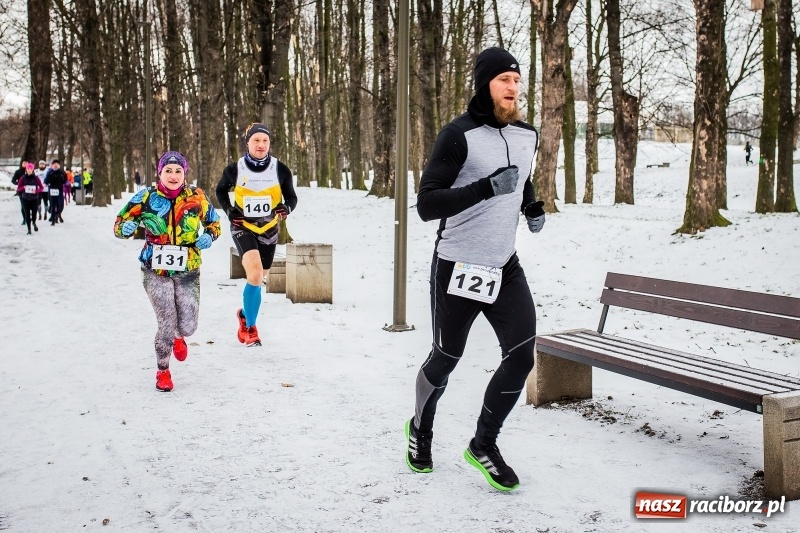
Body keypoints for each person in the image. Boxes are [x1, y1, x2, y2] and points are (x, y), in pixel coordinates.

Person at [404, 47, 546, 492]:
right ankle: (420, 429)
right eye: (504, 79)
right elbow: (427, 204)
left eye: (517, 80)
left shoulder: (527, 135)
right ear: (486, 84)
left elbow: (521, 180)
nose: (513, 87)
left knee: (521, 356)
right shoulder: (457, 135)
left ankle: (484, 444)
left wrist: (530, 205)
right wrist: (486, 188)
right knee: (446, 358)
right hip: (457, 264)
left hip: (504, 266)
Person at [113, 151, 221, 392]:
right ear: (159, 173)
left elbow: (214, 224)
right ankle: (163, 371)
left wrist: (209, 236)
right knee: (166, 322)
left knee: (188, 326)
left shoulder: (196, 196)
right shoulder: (146, 197)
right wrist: (125, 228)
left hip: (188, 270)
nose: (173, 176)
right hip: (155, 269)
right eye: (168, 171)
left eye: (178, 171)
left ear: (185, 173)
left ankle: (179, 337)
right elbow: (119, 223)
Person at [215, 123, 297, 347]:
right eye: (256, 140)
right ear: (248, 143)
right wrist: (229, 210)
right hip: (243, 226)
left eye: (265, 141)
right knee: (255, 274)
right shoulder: (235, 169)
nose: (261, 145)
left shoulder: (280, 169)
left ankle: (244, 314)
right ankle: (251, 328)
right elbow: (221, 191)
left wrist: (286, 208)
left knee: (260, 277)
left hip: (269, 229)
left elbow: (291, 197)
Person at [16, 162, 44, 234]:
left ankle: (34, 222)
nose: (29, 170)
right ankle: (29, 229)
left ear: (32, 170)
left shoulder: (36, 178)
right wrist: (23, 187)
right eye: (28, 169)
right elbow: (18, 188)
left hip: (34, 199)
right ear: (26, 170)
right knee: (27, 214)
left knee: (34, 213)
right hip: (25, 198)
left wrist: (36, 191)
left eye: (30, 169)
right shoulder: (23, 178)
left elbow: (41, 187)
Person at [45, 159, 67, 225]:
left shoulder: (62, 172)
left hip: (60, 190)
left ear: (59, 165)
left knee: (60, 204)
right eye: (54, 164)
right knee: (53, 205)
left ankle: (58, 214)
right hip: (52, 190)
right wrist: (46, 183)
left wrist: (66, 183)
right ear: (52, 166)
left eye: (57, 164)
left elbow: (65, 180)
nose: (55, 165)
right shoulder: (50, 172)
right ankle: (53, 219)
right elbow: (46, 181)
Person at [11, 161, 27, 225]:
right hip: (21, 191)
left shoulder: (30, 171)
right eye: (24, 163)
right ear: (22, 164)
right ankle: (25, 219)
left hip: (30, 191)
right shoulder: (18, 172)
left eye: (26, 163)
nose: (25, 164)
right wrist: (18, 183)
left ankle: (29, 217)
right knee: (23, 206)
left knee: (30, 205)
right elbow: (13, 180)